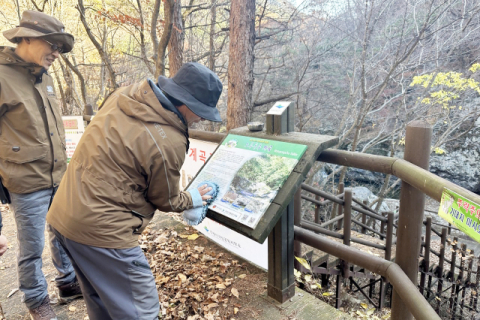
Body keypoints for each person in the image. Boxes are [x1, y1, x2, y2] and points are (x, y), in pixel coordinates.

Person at [47, 62, 223, 320]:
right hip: (103, 230)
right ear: (188, 105)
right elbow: (166, 199)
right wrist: (193, 198)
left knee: (101, 299)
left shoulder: (125, 95)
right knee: (141, 308)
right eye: (201, 113)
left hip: (65, 214)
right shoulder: (170, 141)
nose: (200, 119)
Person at [0, 10, 82, 320]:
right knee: (31, 247)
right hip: (25, 180)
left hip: (57, 174)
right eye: (54, 45)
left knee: (62, 232)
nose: (57, 54)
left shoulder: (44, 75)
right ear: (28, 38)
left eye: (61, 48)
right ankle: (36, 301)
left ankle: (67, 282)